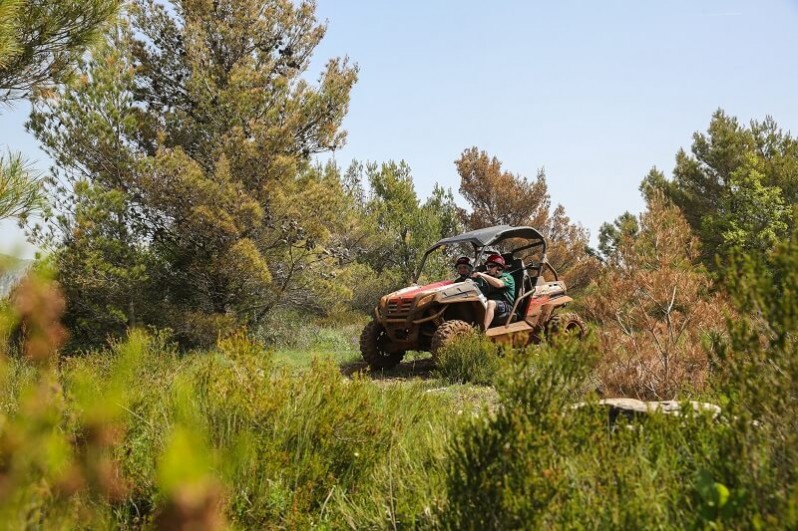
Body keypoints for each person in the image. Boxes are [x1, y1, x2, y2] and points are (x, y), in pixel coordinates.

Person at [471, 254, 515, 329]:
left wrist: (482, 274)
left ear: (499, 267)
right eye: (487, 266)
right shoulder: (490, 277)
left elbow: (499, 284)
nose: (488, 269)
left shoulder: (507, 277)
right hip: (494, 304)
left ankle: (483, 331)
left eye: (491, 266)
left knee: (491, 303)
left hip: (506, 305)